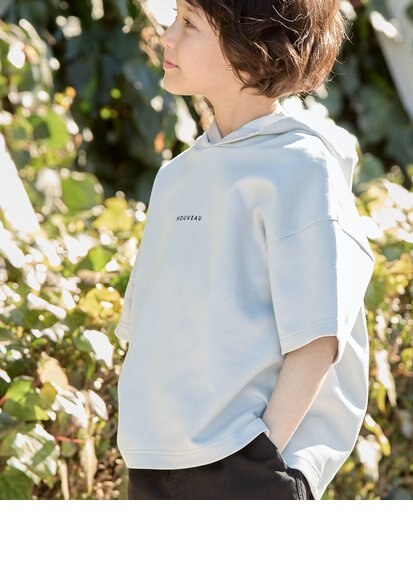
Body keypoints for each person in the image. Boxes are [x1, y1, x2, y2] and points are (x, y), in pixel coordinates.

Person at [114, 0, 375, 500]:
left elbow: (318, 335)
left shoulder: (302, 167)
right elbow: (146, 331)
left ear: (256, 47)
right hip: (153, 464)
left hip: (243, 466)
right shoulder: (175, 178)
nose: (166, 37)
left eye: (189, 23)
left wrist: (263, 456)